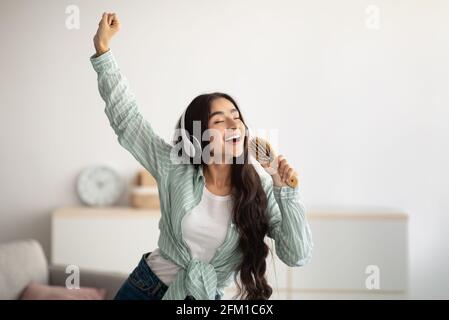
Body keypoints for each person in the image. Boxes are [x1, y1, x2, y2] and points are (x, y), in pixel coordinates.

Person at [90, 12, 313, 300]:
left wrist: (286, 192)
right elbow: (128, 120)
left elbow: (297, 255)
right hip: (145, 288)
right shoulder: (175, 168)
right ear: (199, 136)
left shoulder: (261, 188)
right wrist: (103, 52)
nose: (234, 125)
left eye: (236, 117)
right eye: (220, 120)